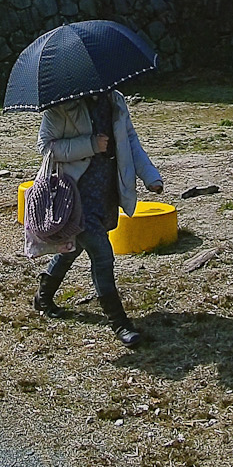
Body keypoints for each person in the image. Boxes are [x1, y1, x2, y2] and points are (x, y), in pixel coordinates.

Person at [34, 88, 163, 346]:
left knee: (72, 249)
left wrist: (150, 175)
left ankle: (43, 297)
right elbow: (45, 147)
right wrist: (90, 145)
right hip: (74, 197)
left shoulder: (114, 99)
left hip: (106, 193)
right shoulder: (60, 105)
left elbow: (130, 139)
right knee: (102, 254)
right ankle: (120, 323)